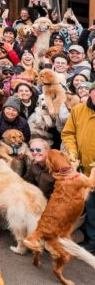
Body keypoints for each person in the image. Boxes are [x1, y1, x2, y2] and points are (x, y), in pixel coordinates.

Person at [61, 84, 95, 247]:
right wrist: (73, 153)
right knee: (89, 205)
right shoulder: (78, 110)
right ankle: (91, 241)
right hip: (84, 170)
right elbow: (68, 133)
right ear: (91, 93)